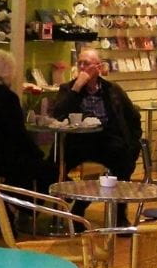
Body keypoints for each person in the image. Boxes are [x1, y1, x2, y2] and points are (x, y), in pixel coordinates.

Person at [0, 49, 56, 193]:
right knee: (48, 170)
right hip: (0, 159)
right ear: (8, 72)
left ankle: (11, 207)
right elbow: (18, 135)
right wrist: (37, 153)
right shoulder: (8, 98)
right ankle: (18, 207)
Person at [51, 49, 142, 183]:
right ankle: (75, 197)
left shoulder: (112, 90)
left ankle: (118, 201)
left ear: (98, 67)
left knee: (122, 158)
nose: (82, 67)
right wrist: (76, 88)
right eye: (79, 63)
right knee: (52, 164)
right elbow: (58, 114)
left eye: (86, 64)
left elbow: (133, 117)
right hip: (78, 141)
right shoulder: (68, 88)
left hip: (107, 139)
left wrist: (133, 145)